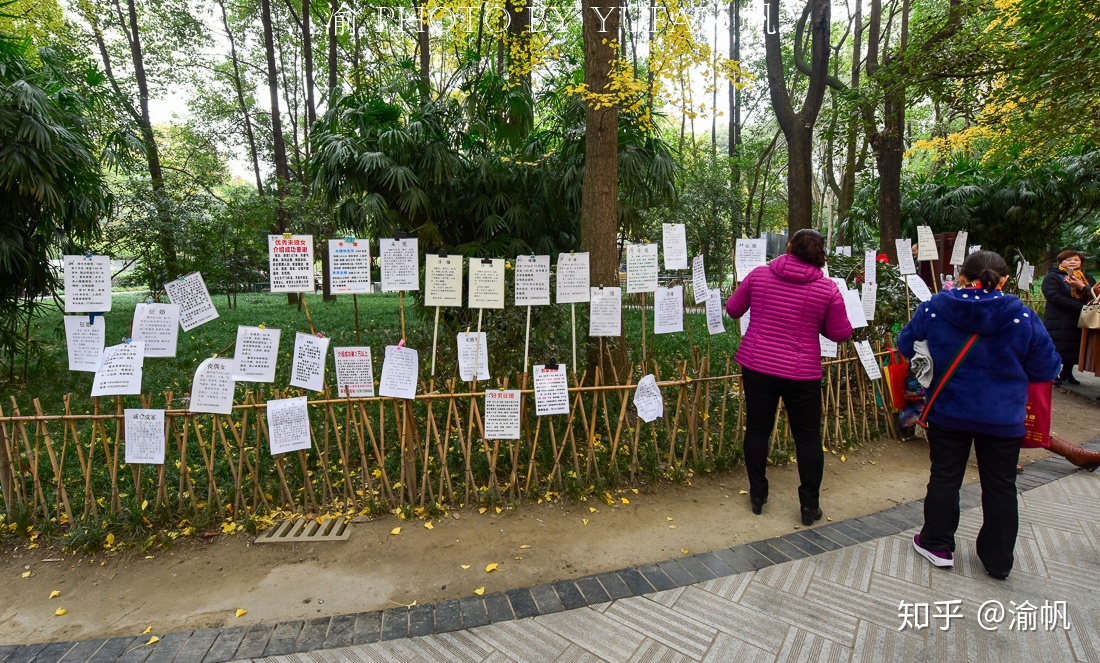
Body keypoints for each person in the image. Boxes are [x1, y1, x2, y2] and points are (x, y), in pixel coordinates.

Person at [899, 250, 1060, 580]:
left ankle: (937, 544)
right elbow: (1046, 367)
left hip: (949, 410)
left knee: (945, 475)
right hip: (1003, 416)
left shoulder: (934, 309)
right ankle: (998, 560)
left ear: (960, 276)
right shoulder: (1024, 316)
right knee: (1001, 485)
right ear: (1003, 280)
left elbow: (906, 343)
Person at [725, 229, 853, 526]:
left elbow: (733, 309)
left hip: (757, 366)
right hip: (802, 372)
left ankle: (758, 495)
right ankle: (809, 506)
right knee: (807, 438)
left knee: (757, 430)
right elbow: (840, 333)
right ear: (820, 253)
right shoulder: (827, 289)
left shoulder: (759, 275)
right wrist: (814, 321)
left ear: (790, 247)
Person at [1042, 249, 1100, 385]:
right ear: (1061, 262)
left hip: (1080, 318)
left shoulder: (1087, 278)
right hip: (1059, 318)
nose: (1072, 262)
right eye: (1068, 260)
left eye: (1076, 260)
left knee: (1074, 347)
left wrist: (1081, 288)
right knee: (1057, 345)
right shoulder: (1053, 277)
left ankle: (1067, 372)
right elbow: (1053, 296)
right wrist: (1079, 306)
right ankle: (1053, 372)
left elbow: (1093, 295)